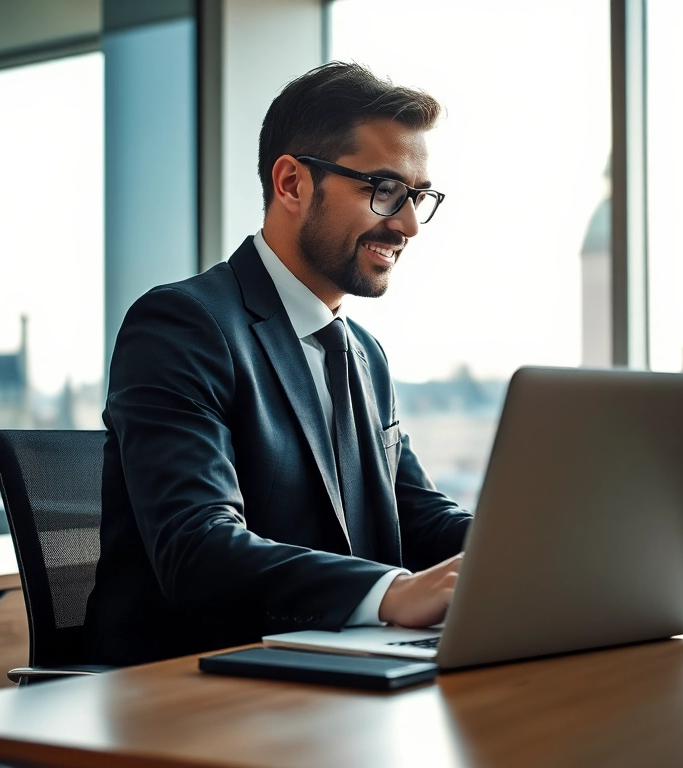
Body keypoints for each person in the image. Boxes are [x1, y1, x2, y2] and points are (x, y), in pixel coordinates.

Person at [83, 63, 473, 667]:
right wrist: (393, 592)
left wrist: (525, 550)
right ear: (292, 183)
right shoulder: (182, 325)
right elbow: (197, 547)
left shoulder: (363, 353)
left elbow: (413, 512)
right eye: (385, 190)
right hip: (192, 684)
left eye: (418, 197)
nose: (408, 225)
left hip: (333, 672)